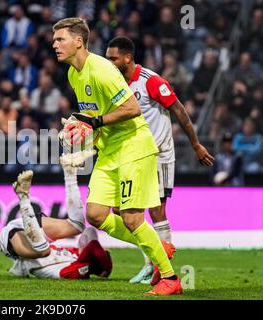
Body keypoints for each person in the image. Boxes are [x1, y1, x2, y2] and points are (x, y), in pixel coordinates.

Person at [52, 17, 181, 295]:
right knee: (96, 214)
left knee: (133, 218)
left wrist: (95, 122)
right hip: (109, 150)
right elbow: (95, 113)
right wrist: (82, 125)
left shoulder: (102, 70)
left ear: (78, 41)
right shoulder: (74, 74)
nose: (54, 45)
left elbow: (133, 108)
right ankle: (159, 248)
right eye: (54, 40)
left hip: (134, 146)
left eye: (60, 39)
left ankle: (170, 278)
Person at [105, 36, 215, 284]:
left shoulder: (151, 81)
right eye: (107, 58)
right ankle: (150, 261)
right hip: (131, 155)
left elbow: (179, 110)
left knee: (156, 210)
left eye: (113, 58)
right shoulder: (114, 84)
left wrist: (195, 144)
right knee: (121, 211)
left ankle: (159, 268)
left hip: (158, 153)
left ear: (128, 58)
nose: (109, 62)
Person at [0, 151, 112, 279]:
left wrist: (104, 266)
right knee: (78, 226)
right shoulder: (77, 257)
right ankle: (70, 171)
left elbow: (92, 246)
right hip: (34, 230)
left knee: (43, 251)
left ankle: (23, 198)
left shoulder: (73, 271)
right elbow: (90, 233)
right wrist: (103, 264)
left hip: (15, 240)